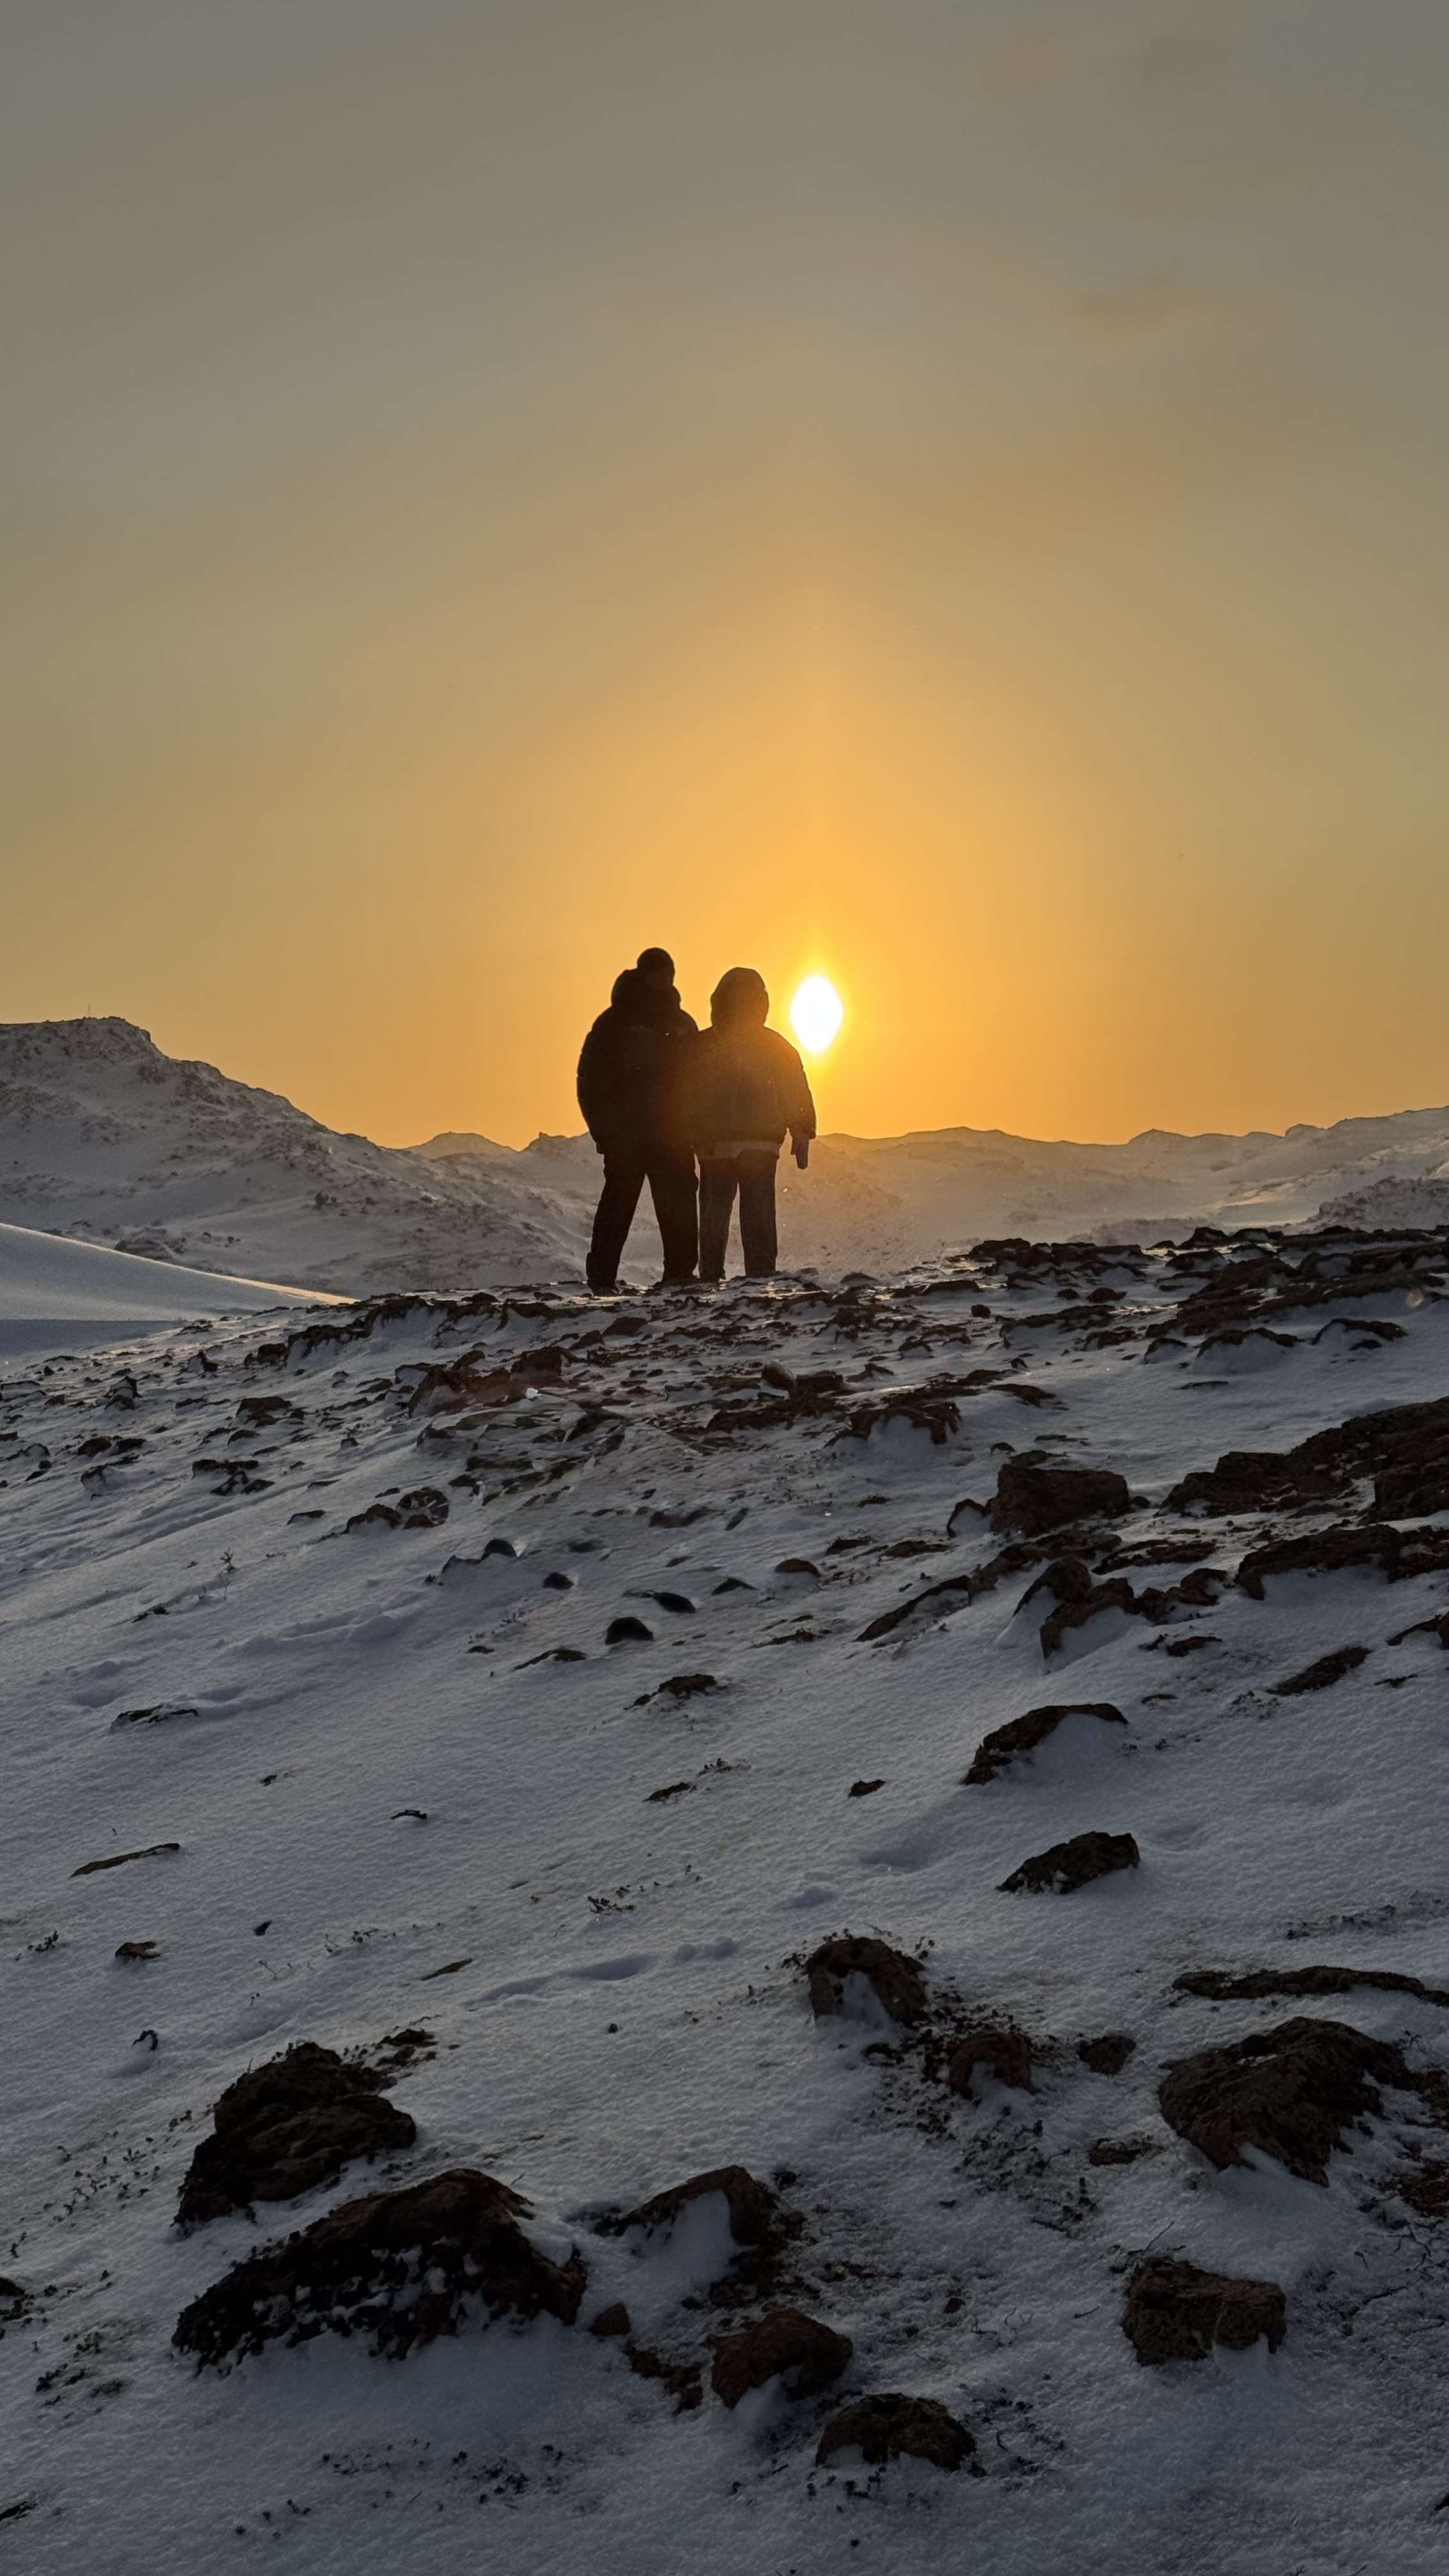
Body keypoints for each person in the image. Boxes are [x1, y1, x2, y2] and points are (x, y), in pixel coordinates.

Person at [576, 948, 699, 1292]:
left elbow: (703, 1078)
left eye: (670, 974)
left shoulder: (682, 1024)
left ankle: (679, 1275)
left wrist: (694, 1126)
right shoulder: (615, 1023)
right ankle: (601, 1277)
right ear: (644, 975)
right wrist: (605, 1132)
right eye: (660, 974)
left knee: (678, 1207)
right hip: (627, 1137)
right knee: (618, 1207)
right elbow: (590, 1079)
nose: (666, 980)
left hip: (672, 1135)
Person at [688, 966, 815, 1282]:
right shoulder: (775, 1045)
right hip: (759, 1143)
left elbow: (681, 1095)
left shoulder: (701, 1046)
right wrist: (801, 1129)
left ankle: (710, 1277)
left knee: (714, 1215)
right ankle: (760, 1276)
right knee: (758, 1213)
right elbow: (795, 1088)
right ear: (763, 1003)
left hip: (714, 1144)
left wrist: (682, 1133)